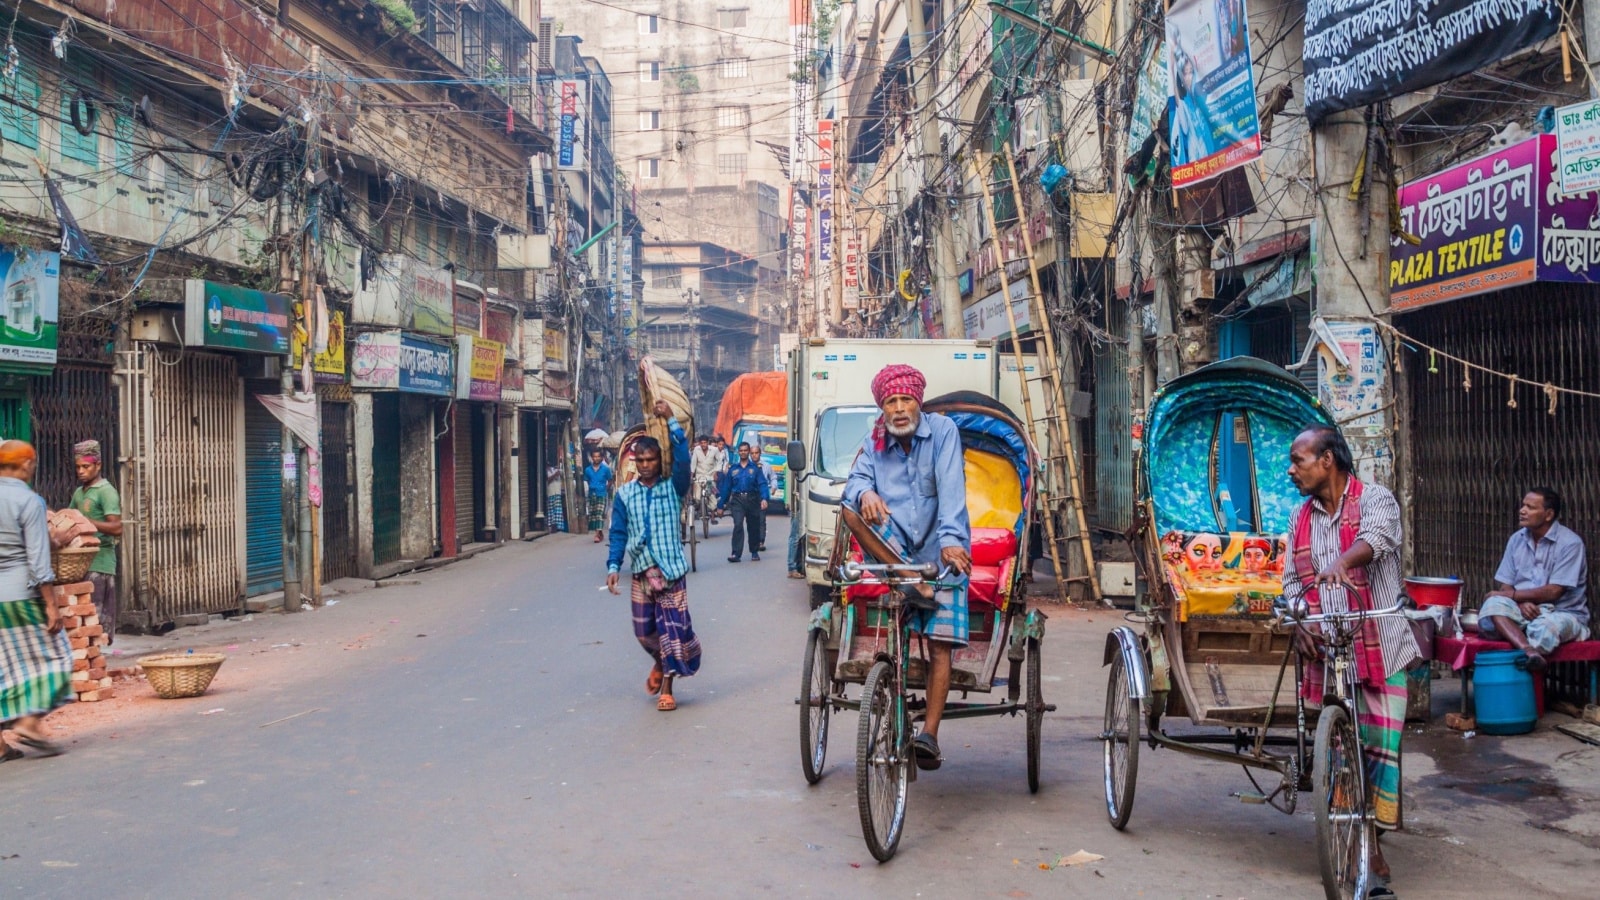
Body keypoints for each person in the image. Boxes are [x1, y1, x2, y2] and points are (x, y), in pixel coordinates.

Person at [1280, 425, 1417, 895]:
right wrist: (1300, 621)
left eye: (1299, 460)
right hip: (1330, 648)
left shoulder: (1376, 499)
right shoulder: (1301, 520)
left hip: (1380, 641)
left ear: (1328, 461)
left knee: (1381, 746)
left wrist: (1343, 561)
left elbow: (1378, 539)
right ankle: (1360, 843)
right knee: (1341, 751)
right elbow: (1292, 585)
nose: (1292, 469)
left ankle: (1372, 838)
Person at [841, 364, 972, 771]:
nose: (898, 409)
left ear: (918, 402)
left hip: (940, 554)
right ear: (882, 408)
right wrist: (864, 493)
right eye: (890, 403)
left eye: (905, 400)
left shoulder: (943, 433)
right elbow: (852, 484)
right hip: (897, 555)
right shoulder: (874, 441)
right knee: (849, 510)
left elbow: (952, 488)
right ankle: (908, 580)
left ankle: (929, 734)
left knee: (939, 646)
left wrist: (951, 541)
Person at [606, 402, 699, 712]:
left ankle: (668, 688)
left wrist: (672, 420)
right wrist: (613, 566)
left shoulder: (674, 488)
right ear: (635, 462)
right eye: (641, 460)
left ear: (660, 461)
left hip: (671, 571)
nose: (646, 465)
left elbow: (683, 460)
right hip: (642, 572)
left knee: (671, 630)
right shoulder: (625, 494)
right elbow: (618, 532)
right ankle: (660, 662)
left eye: (651, 459)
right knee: (643, 631)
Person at [0, 440, 71, 760]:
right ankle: (29, 722)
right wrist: (52, 606)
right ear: (26, 465)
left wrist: (51, 539)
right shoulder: (29, 501)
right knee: (57, 658)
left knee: (4, 670)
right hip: (19, 597)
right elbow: (38, 562)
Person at [1480, 488, 1590, 671]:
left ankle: (1516, 633)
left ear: (1548, 515)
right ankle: (1528, 650)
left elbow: (1554, 591)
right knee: (1493, 603)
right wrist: (1520, 603)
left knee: (1544, 630)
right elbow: (1506, 583)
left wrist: (1515, 597)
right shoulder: (1517, 539)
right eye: (1523, 505)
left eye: (1530, 507)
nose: (1522, 510)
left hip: (1563, 612)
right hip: (1523, 608)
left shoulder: (1570, 543)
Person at [69, 439, 121, 642]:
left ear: (98, 465)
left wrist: (87, 522)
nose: (81, 471)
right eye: (78, 467)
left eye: (86, 466)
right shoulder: (79, 492)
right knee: (81, 617)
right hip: (81, 563)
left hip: (100, 563)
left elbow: (117, 527)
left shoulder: (106, 492)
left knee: (95, 620)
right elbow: (72, 516)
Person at [717, 442, 769, 562]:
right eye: (741, 450)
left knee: (753, 526)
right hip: (737, 500)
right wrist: (721, 505)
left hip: (752, 500)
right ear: (738, 452)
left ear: (749, 452)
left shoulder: (755, 469)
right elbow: (726, 488)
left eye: (746, 450)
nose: (743, 452)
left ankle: (754, 552)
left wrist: (764, 498)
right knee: (738, 525)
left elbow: (762, 484)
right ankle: (736, 553)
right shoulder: (733, 469)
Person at [582, 449, 614, 543]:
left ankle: (596, 535)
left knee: (599, 513)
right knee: (593, 514)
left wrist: (605, 488)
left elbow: (610, 480)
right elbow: (587, 480)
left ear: (601, 457)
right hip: (592, 494)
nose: (596, 458)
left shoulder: (606, 469)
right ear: (591, 458)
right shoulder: (588, 470)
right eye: (594, 456)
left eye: (598, 456)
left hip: (602, 493)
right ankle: (599, 533)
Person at [689, 435, 721, 517]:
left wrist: (716, 472)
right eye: (701, 443)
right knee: (697, 497)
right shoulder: (696, 449)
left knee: (711, 495)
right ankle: (700, 508)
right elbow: (693, 463)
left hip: (710, 477)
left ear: (708, 443)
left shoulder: (714, 450)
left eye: (705, 443)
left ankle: (712, 513)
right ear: (699, 443)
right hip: (699, 476)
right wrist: (692, 474)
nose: (703, 445)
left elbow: (719, 461)